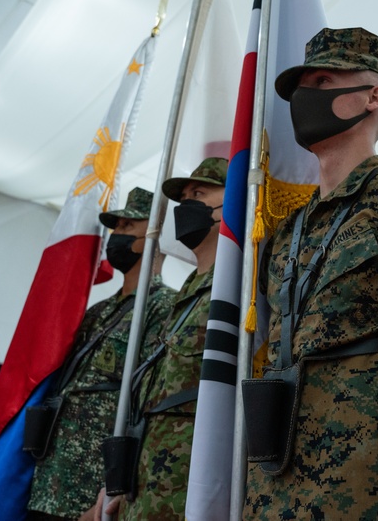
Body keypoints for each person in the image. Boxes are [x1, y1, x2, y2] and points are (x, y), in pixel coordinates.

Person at [241, 27, 378, 519]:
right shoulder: (287, 231)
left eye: (324, 81)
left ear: (373, 96)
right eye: (303, 87)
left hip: (372, 481)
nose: (306, 98)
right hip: (274, 482)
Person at [26, 187, 175, 521]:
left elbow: (146, 404)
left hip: (91, 491)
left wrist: (115, 485)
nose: (116, 236)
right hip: (50, 479)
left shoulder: (163, 307)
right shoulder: (98, 311)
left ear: (155, 237)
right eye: (116, 227)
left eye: (127, 227)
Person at [90, 158, 227, 521]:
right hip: (146, 488)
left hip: (190, 494)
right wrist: (118, 480)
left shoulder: (240, 289)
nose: (187, 207)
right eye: (182, 200)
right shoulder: (190, 292)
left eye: (199, 193)